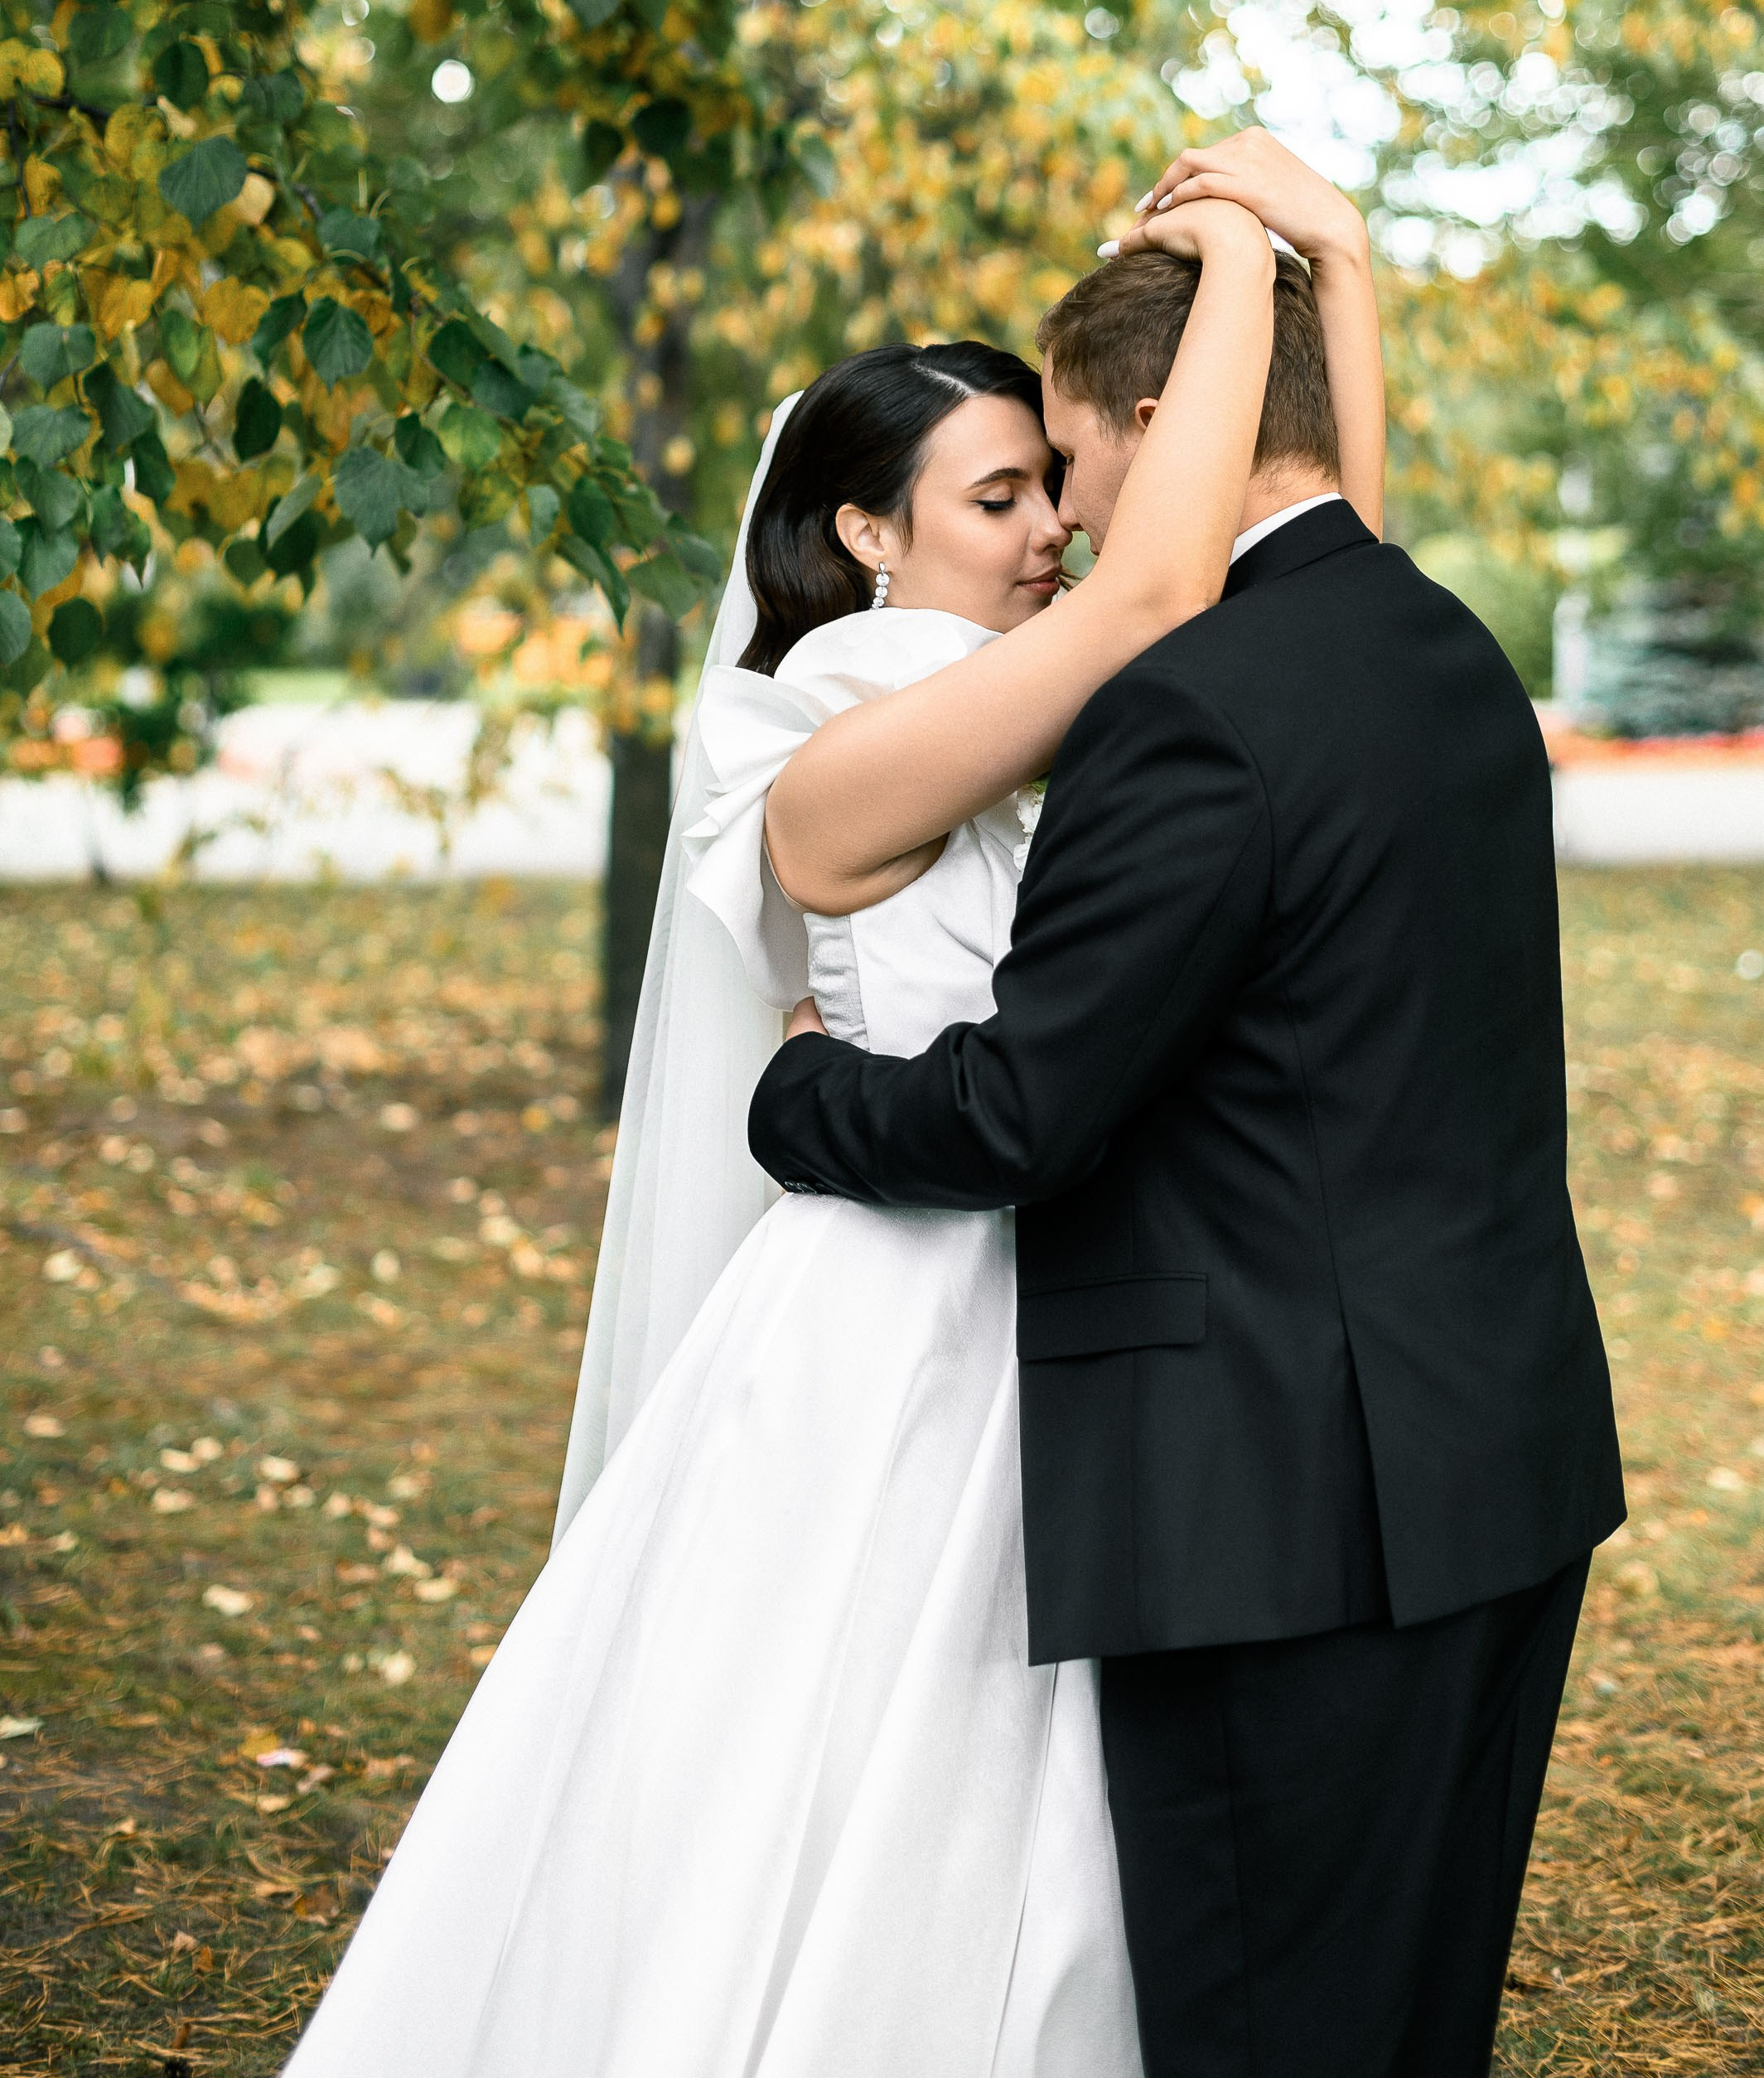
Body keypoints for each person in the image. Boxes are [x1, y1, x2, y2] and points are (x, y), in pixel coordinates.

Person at [283, 136, 1376, 2078]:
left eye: (1054, 481)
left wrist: (1344, 275)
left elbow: (1325, 572)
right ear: (867, 532)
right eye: (1000, 495)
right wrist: (1236, 257)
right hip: (904, 1334)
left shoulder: (1061, 713)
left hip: (1080, 1289)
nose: (1055, 527)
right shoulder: (847, 746)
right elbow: (1162, 588)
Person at [750, 133, 1627, 2078]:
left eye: (1065, 462)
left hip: (1287, 1517)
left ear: (1163, 428)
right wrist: (1326, 257)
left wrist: (798, 1101)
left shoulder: (1189, 711)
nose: (1065, 519)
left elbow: (1019, 1113)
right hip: (1496, 1465)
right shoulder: (1439, 645)